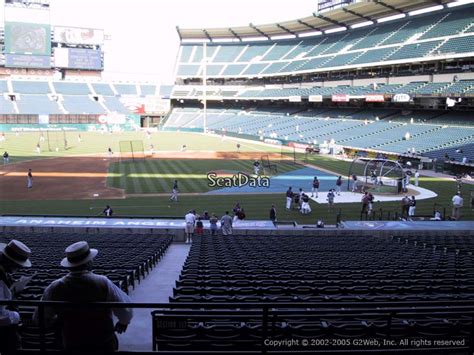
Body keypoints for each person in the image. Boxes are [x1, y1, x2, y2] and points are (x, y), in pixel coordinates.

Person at [34, 241, 133, 352]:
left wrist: (59, 321)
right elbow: (126, 310)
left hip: (71, 343)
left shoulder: (55, 287)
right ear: (87, 263)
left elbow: (39, 318)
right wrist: (123, 322)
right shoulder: (103, 282)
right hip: (104, 343)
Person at [0, 240, 33, 355]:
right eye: (18, 265)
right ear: (9, 262)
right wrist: (17, 316)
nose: (19, 268)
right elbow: (1, 316)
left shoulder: (3, 273)